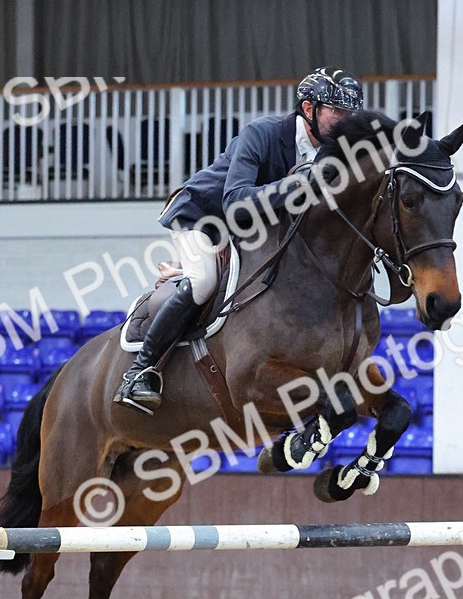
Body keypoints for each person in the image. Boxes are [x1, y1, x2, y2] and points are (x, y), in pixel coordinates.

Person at [114, 66, 364, 413]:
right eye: (338, 112)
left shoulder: (329, 154)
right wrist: (298, 184)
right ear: (309, 110)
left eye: (350, 113)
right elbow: (235, 201)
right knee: (203, 281)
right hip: (204, 217)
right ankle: (140, 372)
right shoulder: (261, 133)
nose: (346, 121)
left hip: (253, 230)